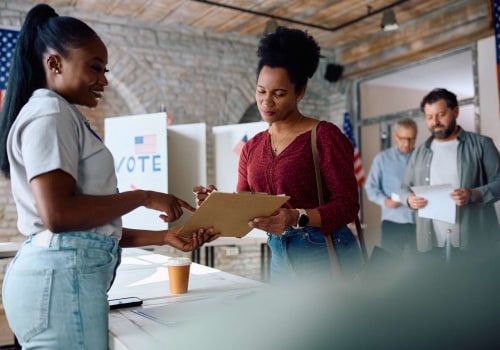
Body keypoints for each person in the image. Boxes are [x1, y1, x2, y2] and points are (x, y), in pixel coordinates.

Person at [0, 4, 218, 349]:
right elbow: (59, 217)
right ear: (54, 63)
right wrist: (144, 196)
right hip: (60, 282)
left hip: (60, 279)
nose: (103, 80)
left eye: (105, 69)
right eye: (95, 68)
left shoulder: (59, 114)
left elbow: (85, 231)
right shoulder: (49, 113)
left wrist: (164, 237)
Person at [194, 26, 363, 283]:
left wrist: (296, 217)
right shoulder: (252, 146)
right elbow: (246, 201)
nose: (266, 102)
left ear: (300, 91)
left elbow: (348, 205)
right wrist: (217, 205)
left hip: (324, 252)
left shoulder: (324, 136)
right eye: (261, 91)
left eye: (279, 93)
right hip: (279, 255)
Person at [400, 88, 500, 261]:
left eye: (440, 114)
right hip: (431, 244)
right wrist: (408, 199)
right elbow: (404, 187)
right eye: (429, 117)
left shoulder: (482, 144)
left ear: (455, 111)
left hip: (475, 244)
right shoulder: (419, 152)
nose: (435, 122)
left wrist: (474, 194)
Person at [364, 118, 418, 256]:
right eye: (403, 138)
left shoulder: (421, 157)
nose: (407, 144)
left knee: (421, 266)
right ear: (395, 136)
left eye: (412, 139)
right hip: (393, 222)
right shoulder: (382, 159)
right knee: (391, 266)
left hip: (419, 222)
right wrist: (385, 201)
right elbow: (370, 187)